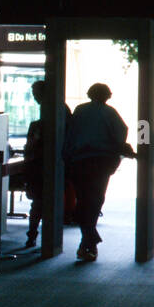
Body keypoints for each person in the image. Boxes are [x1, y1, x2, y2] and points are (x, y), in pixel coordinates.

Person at [64, 82, 136, 262]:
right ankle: (89, 240)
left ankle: (88, 239)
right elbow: (121, 133)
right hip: (102, 162)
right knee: (96, 200)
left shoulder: (80, 110)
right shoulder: (110, 112)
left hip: (79, 161)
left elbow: (70, 134)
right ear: (107, 96)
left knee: (82, 200)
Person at [22, 79, 73, 249]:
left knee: (38, 202)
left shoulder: (48, 109)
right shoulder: (60, 107)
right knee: (46, 201)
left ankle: (33, 235)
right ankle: (39, 236)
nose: (35, 98)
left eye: (36, 94)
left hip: (43, 164)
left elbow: (39, 140)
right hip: (58, 161)